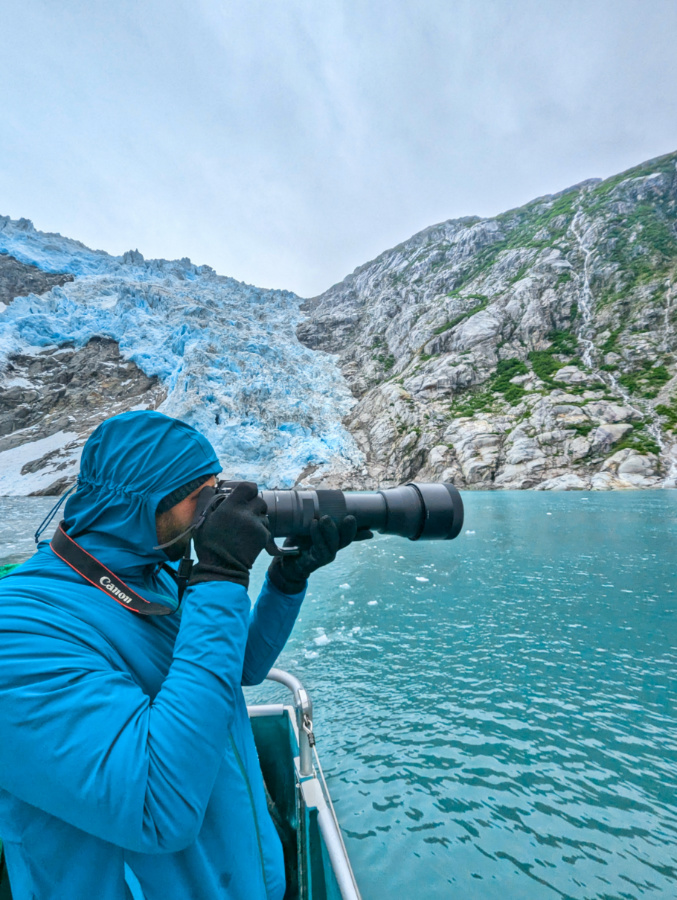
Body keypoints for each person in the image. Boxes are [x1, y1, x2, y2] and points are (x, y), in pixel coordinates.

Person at [0, 410, 368, 900]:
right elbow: (156, 807)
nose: (213, 511)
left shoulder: (149, 576)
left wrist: (285, 583)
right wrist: (219, 577)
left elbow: (234, 671)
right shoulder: (20, 627)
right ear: (142, 502)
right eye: (202, 495)